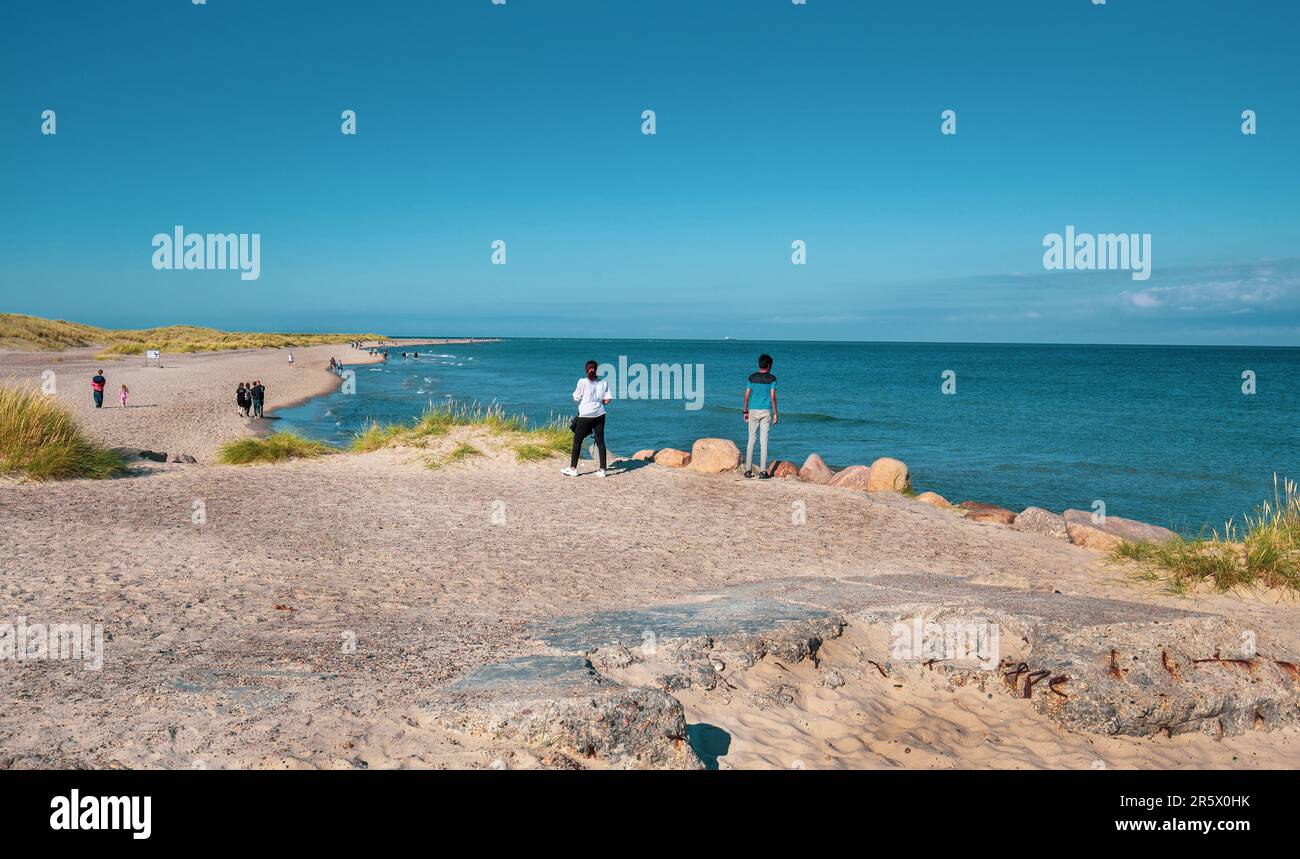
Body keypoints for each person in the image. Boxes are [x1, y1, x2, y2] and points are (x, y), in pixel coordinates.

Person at [564, 360, 611, 477]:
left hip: (585, 415)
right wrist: (598, 403)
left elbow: (575, 397)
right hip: (600, 414)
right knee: (600, 442)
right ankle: (602, 470)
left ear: (586, 370)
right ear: (597, 370)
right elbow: (607, 400)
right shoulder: (603, 383)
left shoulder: (582, 382)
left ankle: (573, 468)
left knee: (577, 441)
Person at [742, 353, 778, 479]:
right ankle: (763, 472)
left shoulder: (751, 378)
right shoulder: (772, 379)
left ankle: (748, 470)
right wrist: (775, 413)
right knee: (764, 441)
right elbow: (773, 397)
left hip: (752, 411)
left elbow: (746, 396)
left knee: (751, 440)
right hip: (766, 411)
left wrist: (745, 411)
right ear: (769, 365)